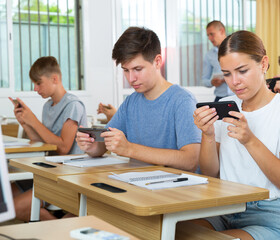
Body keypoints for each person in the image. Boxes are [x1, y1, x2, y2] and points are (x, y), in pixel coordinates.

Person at [192, 30, 280, 240]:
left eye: (242, 71)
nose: (234, 81)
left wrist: (250, 140)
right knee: (177, 231)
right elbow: (211, 173)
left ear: (263, 64)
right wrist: (208, 135)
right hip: (224, 207)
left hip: (270, 214)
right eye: (227, 74)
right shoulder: (226, 106)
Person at [76, 27, 201, 172]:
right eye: (126, 70)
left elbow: (191, 160)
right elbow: (103, 144)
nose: (131, 79)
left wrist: (129, 149)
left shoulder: (182, 101)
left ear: (157, 61)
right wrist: (91, 146)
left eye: (138, 69)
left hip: (174, 189)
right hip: (137, 185)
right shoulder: (131, 102)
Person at [9, 56, 87, 221]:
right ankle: (56, 223)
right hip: (48, 171)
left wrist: (34, 121)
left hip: (67, 175)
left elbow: (63, 148)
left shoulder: (73, 105)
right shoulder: (47, 106)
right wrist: (26, 123)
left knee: (13, 208)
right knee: (5, 196)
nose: (36, 89)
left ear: (54, 79)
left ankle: (56, 228)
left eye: (38, 83)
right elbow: (44, 144)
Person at [202, 20, 234, 102]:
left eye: (212, 34)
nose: (209, 38)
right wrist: (212, 82)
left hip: (238, 96)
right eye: (208, 35)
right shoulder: (209, 55)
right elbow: (204, 80)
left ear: (222, 31)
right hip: (220, 98)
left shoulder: (237, 49)